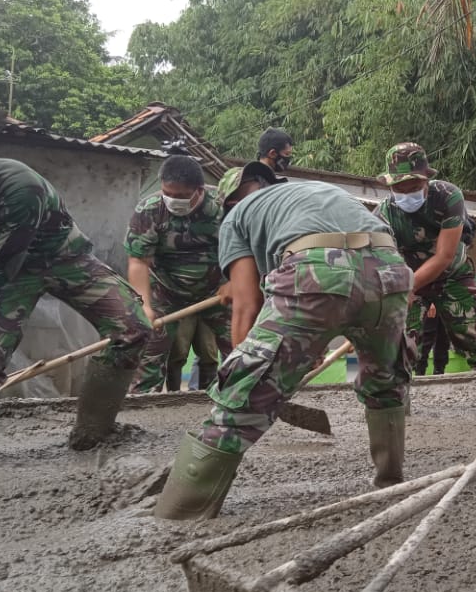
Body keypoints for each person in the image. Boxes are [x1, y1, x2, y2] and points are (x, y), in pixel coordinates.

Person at [154, 180, 413, 520]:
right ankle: (389, 482)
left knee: (241, 400)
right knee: (385, 380)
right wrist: (308, 344)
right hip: (391, 270)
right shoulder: (315, 193)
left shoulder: (235, 219)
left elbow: (247, 306)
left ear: (227, 203)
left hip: (317, 270)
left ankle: (179, 515)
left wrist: (245, 377)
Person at [0, 157, 151, 458]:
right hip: (10, 272)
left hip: (63, 259)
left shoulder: (19, 184)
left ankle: (92, 435)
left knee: (132, 328)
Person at [375, 142, 476, 418]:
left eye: (412, 186)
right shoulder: (383, 214)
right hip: (407, 278)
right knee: (398, 343)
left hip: (452, 275)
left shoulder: (448, 196)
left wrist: (409, 284)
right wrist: (400, 287)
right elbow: (383, 260)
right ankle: (399, 413)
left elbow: (444, 256)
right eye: (398, 188)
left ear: (426, 178)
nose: (405, 193)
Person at [125, 155, 232, 393]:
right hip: (166, 290)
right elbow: (138, 260)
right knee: (149, 353)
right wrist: (144, 304)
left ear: (199, 190)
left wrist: (236, 283)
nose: (173, 200)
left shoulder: (225, 206)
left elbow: (246, 249)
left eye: (181, 196)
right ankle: (141, 408)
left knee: (241, 347)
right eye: (167, 193)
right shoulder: (150, 210)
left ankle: (244, 404)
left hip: (219, 290)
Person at [415, 301, 450, 376]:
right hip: (429, 300)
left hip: (443, 301)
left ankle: (439, 370)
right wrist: (432, 302)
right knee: (427, 336)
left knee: (443, 337)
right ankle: (419, 370)